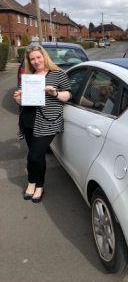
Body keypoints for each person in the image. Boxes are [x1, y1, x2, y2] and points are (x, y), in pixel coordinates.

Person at [13, 44, 72, 203]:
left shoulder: (58, 74)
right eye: (32, 59)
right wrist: (18, 98)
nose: (36, 61)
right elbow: (21, 101)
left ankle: (32, 182)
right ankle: (39, 185)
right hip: (28, 119)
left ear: (44, 56)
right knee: (38, 157)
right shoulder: (28, 76)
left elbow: (68, 95)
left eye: (38, 57)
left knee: (34, 156)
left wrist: (55, 92)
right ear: (29, 61)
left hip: (48, 120)